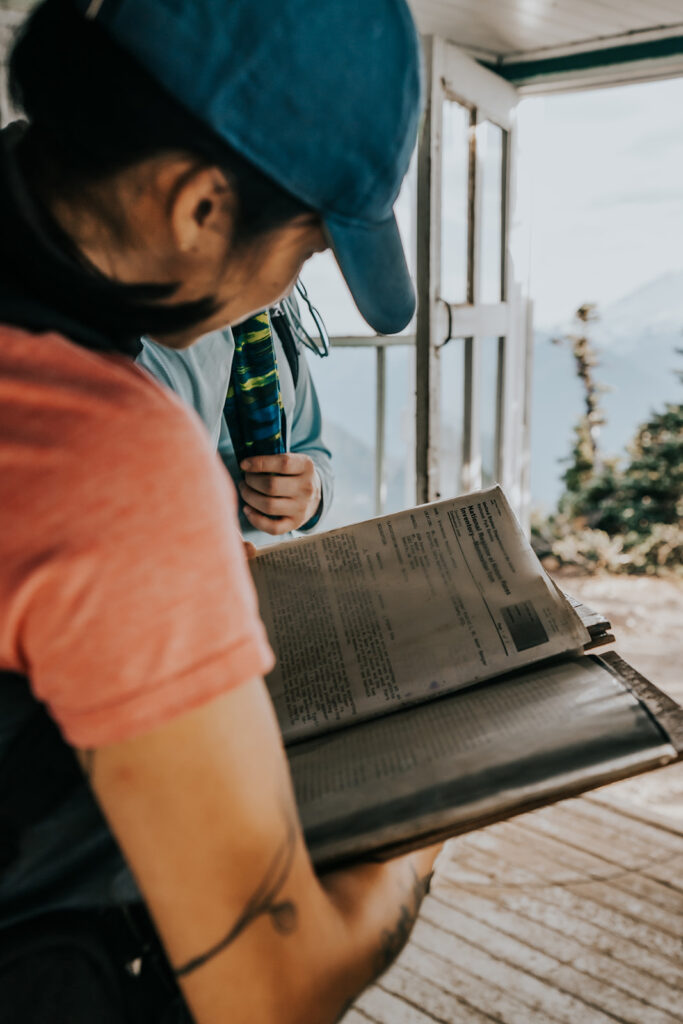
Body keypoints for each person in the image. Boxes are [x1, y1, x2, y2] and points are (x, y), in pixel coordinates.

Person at [0, 1, 437, 1022]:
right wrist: (423, 827)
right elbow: (267, 992)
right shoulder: (103, 448)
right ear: (198, 208)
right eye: (309, 250)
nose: (284, 288)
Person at [139, 289, 334, 543]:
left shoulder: (278, 305)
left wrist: (313, 496)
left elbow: (310, 445)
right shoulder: (145, 327)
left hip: (274, 566)